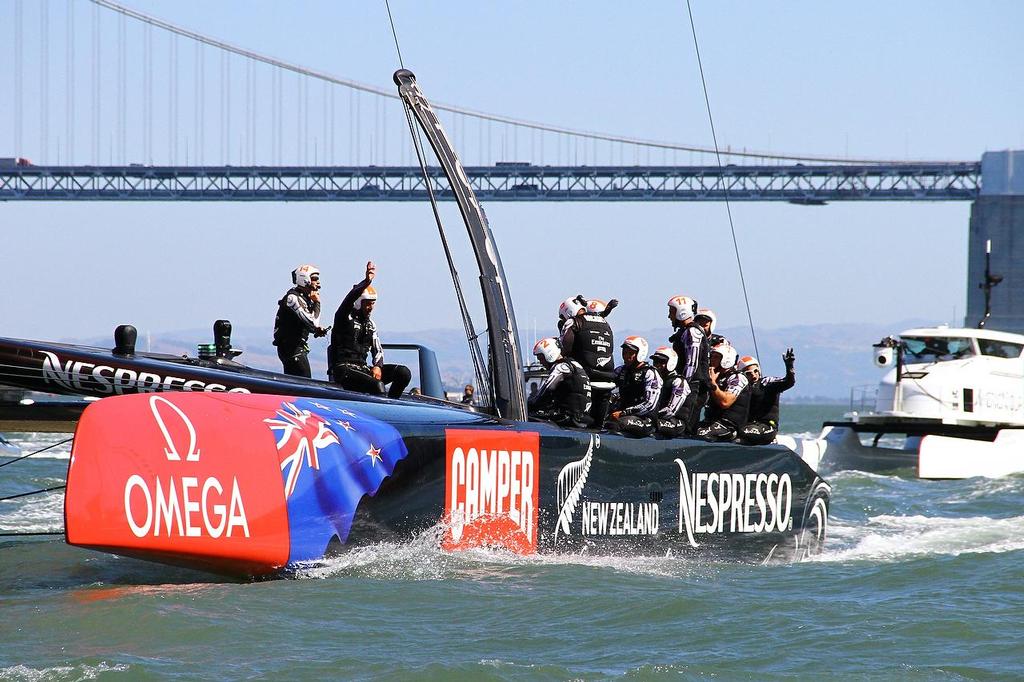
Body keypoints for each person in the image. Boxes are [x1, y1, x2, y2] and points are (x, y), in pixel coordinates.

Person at [329, 261, 411, 398]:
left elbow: (377, 349)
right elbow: (348, 300)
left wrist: (378, 365)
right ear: (358, 302)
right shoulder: (343, 318)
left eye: (373, 304)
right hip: (344, 369)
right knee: (377, 386)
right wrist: (366, 282)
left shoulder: (370, 324)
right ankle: (381, 412)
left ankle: (392, 405)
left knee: (403, 372)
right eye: (367, 304)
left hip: (363, 368)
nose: (371, 307)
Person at [559, 294, 617, 425]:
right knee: (598, 427)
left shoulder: (573, 322)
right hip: (607, 383)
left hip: (585, 382)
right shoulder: (605, 323)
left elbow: (564, 350)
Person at [273, 264, 328, 377]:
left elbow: (309, 324)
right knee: (305, 382)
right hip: (291, 348)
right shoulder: (293, 298)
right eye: (315, 279)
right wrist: (317, 303)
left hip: (297, 347)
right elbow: (313, 322)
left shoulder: (304, 299)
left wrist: (317, 330)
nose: (318, 283)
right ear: (305, 279)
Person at [528, 337, 593, 428]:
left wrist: (528, 405)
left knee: (528, 420)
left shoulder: (561, 367)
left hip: (568, 418)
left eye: (541, 358)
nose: (540, 362)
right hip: (581, 418)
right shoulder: (573, 364)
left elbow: (546, 390)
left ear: (549, 355)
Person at [667, 295, 709, 433]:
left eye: (671, 312)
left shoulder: (692, 332)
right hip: (687, 386)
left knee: (686, 424)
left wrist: (682, 386)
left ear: (681, 312)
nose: (669, 316)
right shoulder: (684, 332)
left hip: (692, 387)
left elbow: (692, 364)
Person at [738, 349, 796, 445]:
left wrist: (789, 366)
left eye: (756, 371)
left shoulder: (767, 383)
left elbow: (788, 382)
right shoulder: (739, 388)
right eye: (748, 373)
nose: (753, 375)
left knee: (742, 433)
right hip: (749, 426)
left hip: (767, 426)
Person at [696, 343, 751, 442]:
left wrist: (712, 384)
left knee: (699, 434)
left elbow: (725, 402)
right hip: (712, 422)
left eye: (716, 357)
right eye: (712, 356)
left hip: (729, 426)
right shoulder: (714, 376)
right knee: (688, 429)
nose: (712, 360)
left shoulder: (737, 378)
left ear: (727, 359)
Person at [607, 336, 662, 437]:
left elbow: (650, 404)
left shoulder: (650, 373)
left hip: (645, 420)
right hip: (623, 415)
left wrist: (623, 413)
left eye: (630, 353)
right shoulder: (621, 370)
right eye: (624, 353)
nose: (626, 356)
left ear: (640, 353)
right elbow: (609, 386)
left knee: (614, 425)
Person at [650, 346, 691, 438]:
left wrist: (650, 415)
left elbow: (670, 411)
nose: (657, 364)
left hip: (676, 423)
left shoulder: (679, 382)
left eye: (661, 362)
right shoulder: (655, 381)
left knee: (648, 424)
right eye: (655, 361)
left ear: (670, 362)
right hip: (659, 419)